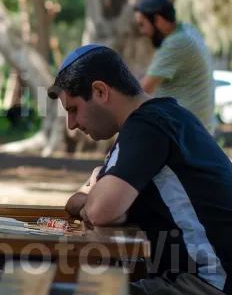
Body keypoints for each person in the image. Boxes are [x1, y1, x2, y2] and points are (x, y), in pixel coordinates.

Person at [50, 44, 232, 295]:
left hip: (208, 283)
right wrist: (99, 196)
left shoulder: (148, 125)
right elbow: (76, 203)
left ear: (100, 91)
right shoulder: (165, 118)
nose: (71, 125)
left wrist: (99, 193)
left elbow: (101, 210)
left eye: (73, 109)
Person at [134, 0, 216, 133]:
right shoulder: (186, 31)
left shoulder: (176, 43)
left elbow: (140, 91)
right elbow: (150, 73)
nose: (142, 31)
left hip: (186, 134)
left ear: (158, 20)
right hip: (197, 128)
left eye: (142, 24)